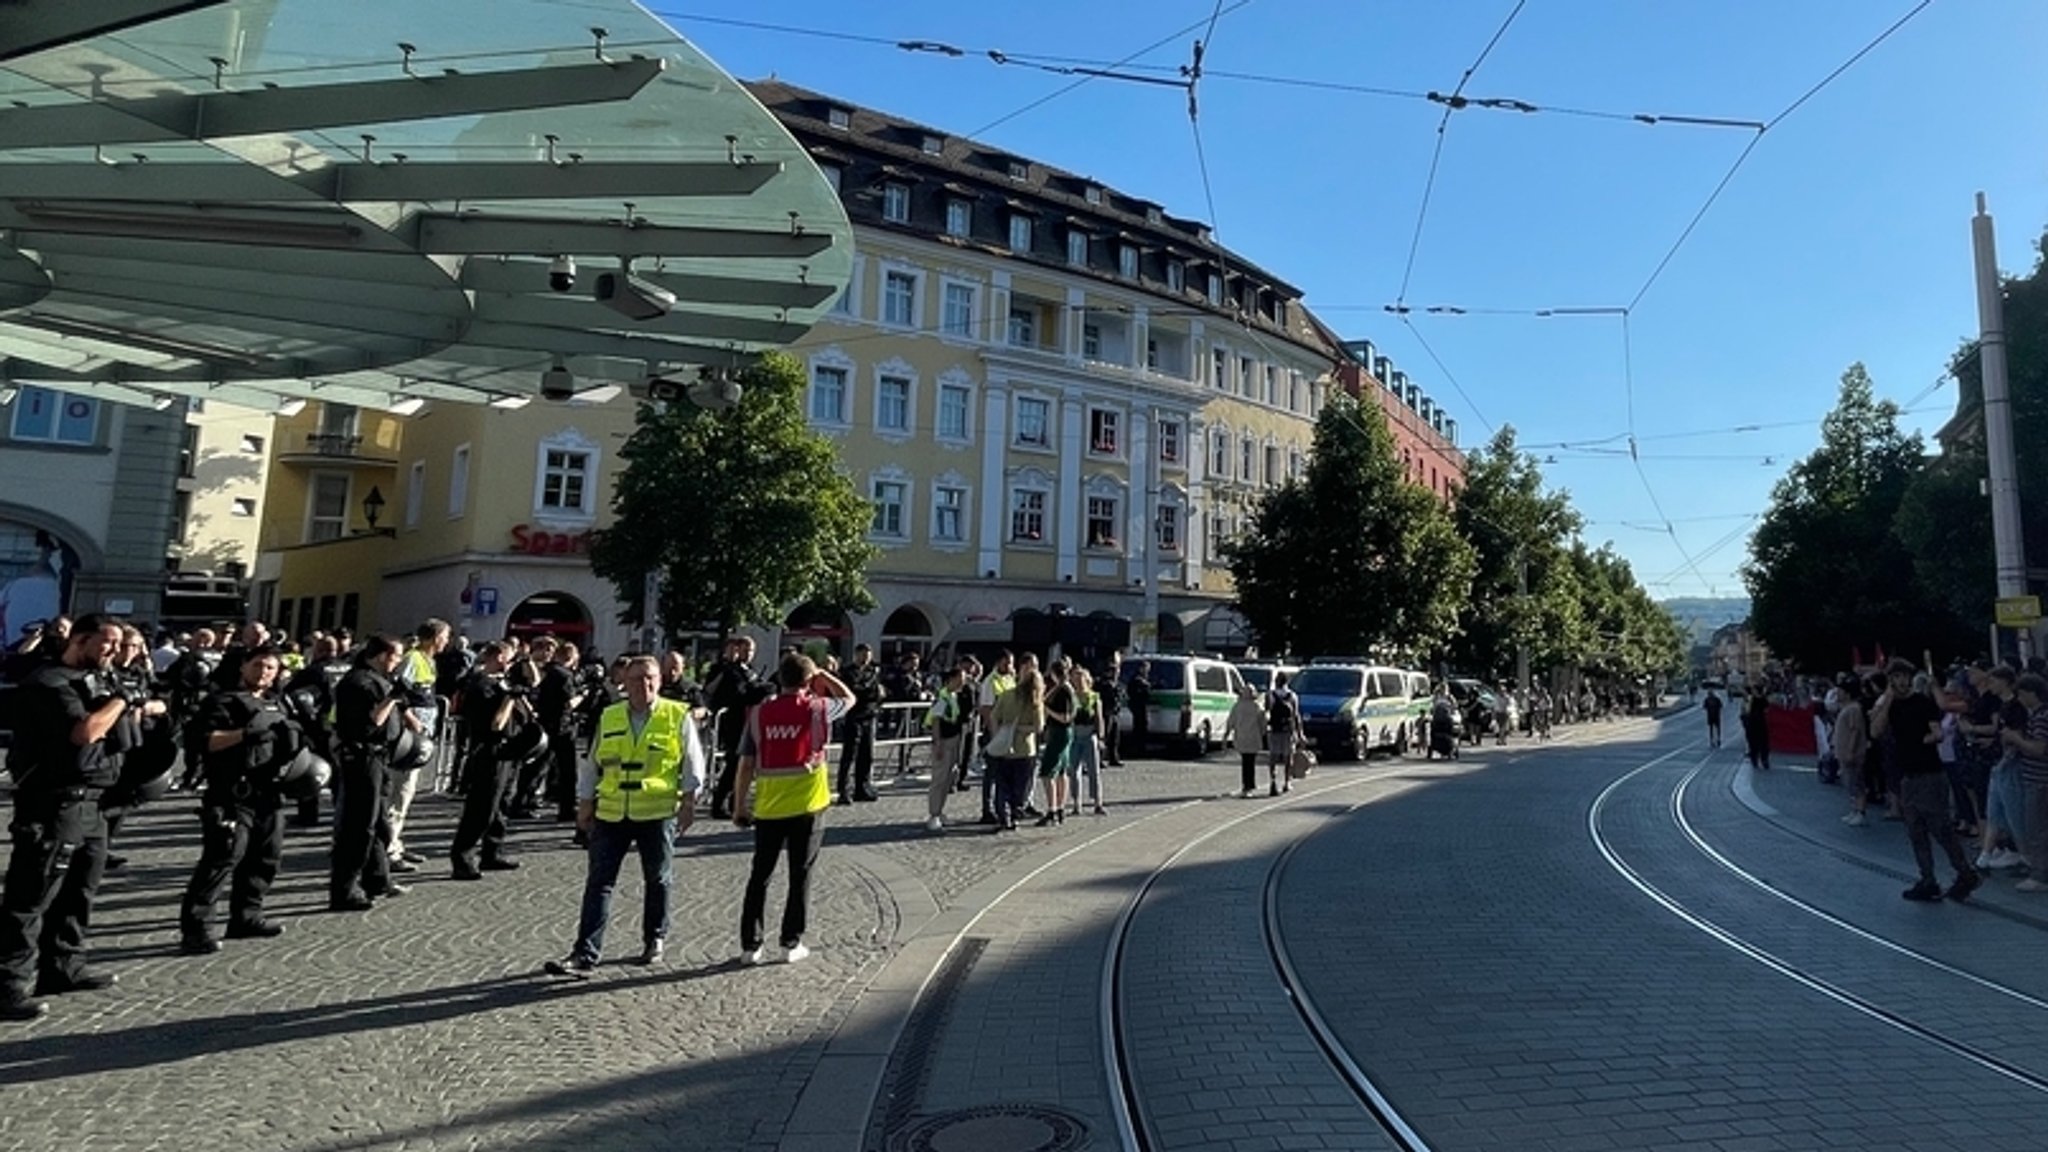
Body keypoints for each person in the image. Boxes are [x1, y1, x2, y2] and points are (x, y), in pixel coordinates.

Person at [0, 615, 146, 1021]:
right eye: (108, 643)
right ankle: (8, 983)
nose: (116, 652)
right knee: (31, 894)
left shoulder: (100, 679)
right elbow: (85, 732)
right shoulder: (49, 682)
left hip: (94, 802)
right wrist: (122, 700)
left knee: (80, 890)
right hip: (53, 802)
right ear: (79, 640)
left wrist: (139, 705)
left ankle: (63, 965)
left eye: (121, 646)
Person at [545, 655, 704, 975]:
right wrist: (585, 803)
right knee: (599, 883)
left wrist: (689, 802)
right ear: (625, 683)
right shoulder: (610, 716)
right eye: (636, 679)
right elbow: (592, 764)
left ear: (660, 681)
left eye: (650, 678)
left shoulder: (676, 715)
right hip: (612, 811)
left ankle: (654, 938)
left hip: (656, 811)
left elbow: (692, 762)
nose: (644, 685)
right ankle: (584, 953)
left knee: (658, 879)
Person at [731, 654, 853, 964]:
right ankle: (790, 942)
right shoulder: (818, 709)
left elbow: (745, 765)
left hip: (769, 807)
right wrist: (825, 675)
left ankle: (750, 946)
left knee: (760, 876)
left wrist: (739, 804)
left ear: (778, 679)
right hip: (809, 806)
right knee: (800, 876)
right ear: (809, 681)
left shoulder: (759, 714)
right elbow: (849, 699)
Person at [179, 647, 294, 954]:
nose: (265, 672)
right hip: (231, 792)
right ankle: (197, 928)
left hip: (268, 791)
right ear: (243, 667)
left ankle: (247, 916)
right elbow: (203, 741)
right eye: (258, 665)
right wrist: (243, 734)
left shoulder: (278, 703)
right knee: (222, 858)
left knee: (266, 856)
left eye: (271, 667)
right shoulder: (223, 701)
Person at [1873, 658, 1979, 902]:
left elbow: (1938, 732)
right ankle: (1927, 878)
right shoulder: (1890, 706)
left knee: (1940, 828)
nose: (1900, 682)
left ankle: (1965, 873)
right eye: (1895, 677)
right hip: (1908, 775)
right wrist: (1887, 699)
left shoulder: (1922, 703)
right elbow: (1876, 731)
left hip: (1929, 773)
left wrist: (1931, 738)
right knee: (1915, 829)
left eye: (1903, 676)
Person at [328, 635, 407, 912]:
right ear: (383, 655)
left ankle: (377, 878)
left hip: (380, 757)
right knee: (359, 825)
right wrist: (392, 698)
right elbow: (370, 722)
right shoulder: (359, 681)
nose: (397, 663)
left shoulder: (376, 679)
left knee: (379, 824)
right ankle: (344, 889)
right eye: (396, 657)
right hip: (362, 756)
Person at [451, 641, 527, 880]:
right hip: (489, 751)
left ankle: (492, 851)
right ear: (499, 657)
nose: (512, 661)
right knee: (482, 807)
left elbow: (527, 715)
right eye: (509, 656)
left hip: (509, 751)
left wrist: (518, 695)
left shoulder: (500, 682)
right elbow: (495, 724)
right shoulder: (480, 685)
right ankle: (462, 857)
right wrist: (509, 699)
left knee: (501, 804)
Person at [385, 620, 449, 874]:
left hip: (420, 735)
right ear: (433, 638)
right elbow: (396, 691)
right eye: (445, 636)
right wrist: (410, 719)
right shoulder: (412, 658)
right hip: (408, 737)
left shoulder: (428, 660)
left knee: (407, 792)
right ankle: (389, 848)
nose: (447, 641)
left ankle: (396, 842)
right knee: (399, 792)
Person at [703, 637, 768, 820]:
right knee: (734, 763)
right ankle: (719, 803)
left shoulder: (751, 670)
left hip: (748, 721)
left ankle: (735, 802)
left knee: (743, 764)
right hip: (732, 722)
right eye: (745, 649)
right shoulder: (725, 670)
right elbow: (736, 693)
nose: (748, 653)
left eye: (752, 650)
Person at [985, 659, 1045, 833]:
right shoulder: (1035, 703)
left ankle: (1004, 816)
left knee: (1002, 783)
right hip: (1026, 749)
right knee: (1020, 786)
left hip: (1005, 747)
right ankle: (1014, 812)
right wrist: (1021, 729)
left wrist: (998, 734)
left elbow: (994, 716)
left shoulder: (1007, 695)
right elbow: (1039, 728)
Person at [836, 643, 883, 805]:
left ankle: (862, 788)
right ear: (856, 654)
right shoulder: (848, 672)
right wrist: (868, 688)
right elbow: (854, 690)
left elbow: (878, 693)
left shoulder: (872, 672)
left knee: (866, 755)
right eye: (863, 654)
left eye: (868, 655)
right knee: (849, 755)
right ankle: (843, 790)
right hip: (853, 716)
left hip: (869, 715)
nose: (866, 658)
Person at [925, 665, 968, 832]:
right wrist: (938, 744)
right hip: (943, 740)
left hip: (953, 739)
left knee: (948, 778)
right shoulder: (942, 698)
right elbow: (936, 721)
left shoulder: (953, 696)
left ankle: (940, 811)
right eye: (960, 679)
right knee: (939, 779)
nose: (962, 683)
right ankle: (933, 814)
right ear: (951, 679)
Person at [1034, 658, 1077, 827]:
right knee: (1061, 772)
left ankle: (1052, 809)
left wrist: (1047, 710)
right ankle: (1060, 808)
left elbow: (1065, 717)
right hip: (1065, 732)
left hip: (1060, 731)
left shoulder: (1064, 690)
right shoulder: (1065, 688)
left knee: (1048, 771)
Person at [1833, 678, 1872, 827]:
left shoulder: (1854, 709)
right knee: (1850, 782)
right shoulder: (1847, 708)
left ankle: (1861, 811)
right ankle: (1854, 809)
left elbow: (1855, 730)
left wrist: (1851, 750)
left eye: (1840, 692)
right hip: (1843, 751)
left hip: (1853, 753)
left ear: (1847, 693)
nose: (1837, 694)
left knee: (1857, 782)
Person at [1069, 667, 1107, 816]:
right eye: (1075, 678)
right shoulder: (1071, 697)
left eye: (1081, 677)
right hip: (1074, 735)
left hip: (1089, 734)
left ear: (1087, 679)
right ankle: (1076, 804)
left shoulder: (1093, 697)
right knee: (1074, 771)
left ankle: (1098, 802)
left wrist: (1100, 737)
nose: (1078, 681)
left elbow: (1099, 718)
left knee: (1094, 771)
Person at [1266, 671, 1303, 796]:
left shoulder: (1270, 695)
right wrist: (1300, 733)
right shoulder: (1292, 696)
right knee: (1288, 757)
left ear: (1276, 681)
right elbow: (1296, 715)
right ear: (1287, 682)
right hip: (1288, 730)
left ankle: (1273, 780)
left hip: (1274, 729)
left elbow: (1267, 712)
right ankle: (1287, 782)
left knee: (1273, 757)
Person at [1229, 683, 1267, 799]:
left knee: (1246, 762)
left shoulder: (1237, 706)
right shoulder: (1257, 706)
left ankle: (1247, 786)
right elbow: (1263, 723)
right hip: (1253, 738)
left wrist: (1226, 735)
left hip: (1242, 738)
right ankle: (1249, 785)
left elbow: (1231, 721)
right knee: (1250, 762)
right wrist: (1262, 733)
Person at [1096, 653, 1126, 767]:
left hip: (1115, 712)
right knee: (1104, 736)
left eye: (1117, 671)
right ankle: (1099, 759)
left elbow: (1121, 695)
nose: (1116, 674)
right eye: (1113, 671)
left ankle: (1114, 758)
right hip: (1106, 712)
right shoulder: (1103, 683)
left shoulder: (1117, 684)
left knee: (1114, 738)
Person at [1125, 661, 1152, 757]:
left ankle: (1141, 747)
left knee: (1142, 726)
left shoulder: (1143, 678)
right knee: (1139, 727)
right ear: (1141, 668)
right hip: (1138, 706)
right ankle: (1138, 749)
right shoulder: (1137, 679)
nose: (1147, 670)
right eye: (1146, 668)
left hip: (1141, 706)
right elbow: (1134, 692)